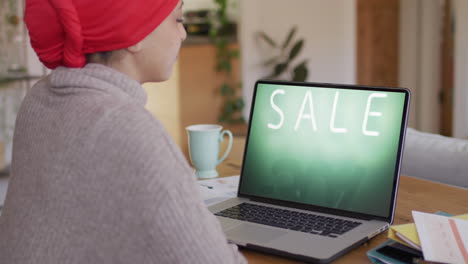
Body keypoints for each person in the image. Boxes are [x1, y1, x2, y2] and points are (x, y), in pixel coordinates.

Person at [0, 0, 246, 263]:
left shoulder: (39, 99)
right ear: (135, 36)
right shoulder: (128, 129)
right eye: (177, 19)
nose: (183, 33)